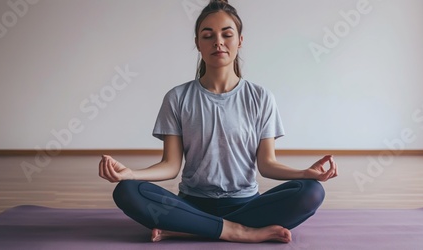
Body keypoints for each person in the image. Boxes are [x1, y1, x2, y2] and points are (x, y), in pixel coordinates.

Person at [99, 0, 338, 243]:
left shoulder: (260, 97)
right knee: (127, 190)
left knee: (311, 191)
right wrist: (131, 173)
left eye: (227, 34)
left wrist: (305, 173)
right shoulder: (177, 97)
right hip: (191, 204)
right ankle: (237, 231)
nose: (218, 42)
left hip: (247, 205)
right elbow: (171, 166)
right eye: (208, 35)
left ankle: (190, 229)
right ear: (197, 44)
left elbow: (266, 165)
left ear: (240, 41)